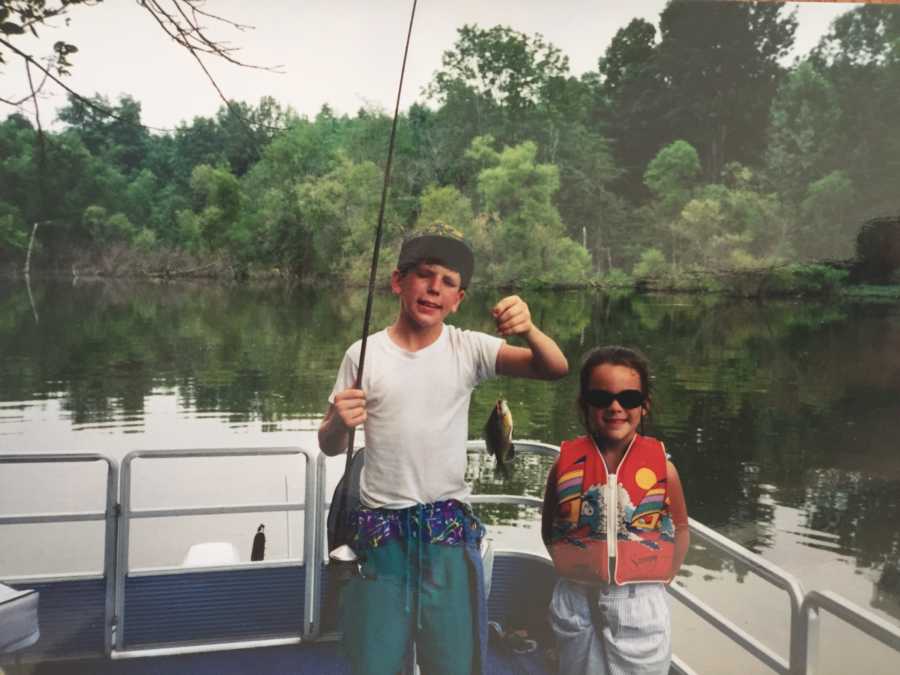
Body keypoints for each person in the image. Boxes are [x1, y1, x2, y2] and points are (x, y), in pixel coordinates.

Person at [318, 223, 569, 675]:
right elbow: (331, 445)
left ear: (458, 299)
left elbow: (554, 367)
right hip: (381, 537)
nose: (434, 288)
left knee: (454, 664)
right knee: (374, 663)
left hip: (446, 538)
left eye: (448, 283)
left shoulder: (468, 348)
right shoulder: (363, 354)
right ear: (399, 282)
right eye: (425, 275)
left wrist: (529, 330)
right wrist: (337, 421)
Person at [541, 346, 689, 675]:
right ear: (585, 404)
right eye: (601, 398)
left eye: (629, 399)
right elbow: (549, 525)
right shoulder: (563, 464)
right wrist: (571, 566)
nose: (615, 407)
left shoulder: (664, 469)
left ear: (644, 406)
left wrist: (662, 579)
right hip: (575, 598)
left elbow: (680, 528)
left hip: (640, 603)